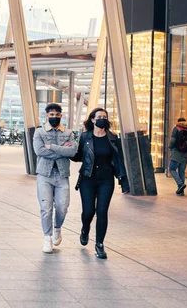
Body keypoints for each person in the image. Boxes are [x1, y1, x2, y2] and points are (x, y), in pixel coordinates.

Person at [72, 108, 128, 260]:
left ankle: (99, 245)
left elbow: (119, 159)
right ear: (92, 120)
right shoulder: (85, 137)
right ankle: (85, 229)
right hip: (88, 178)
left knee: (102, 212)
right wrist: (69, 149)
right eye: (99, 117)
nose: (102, 119)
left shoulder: (112, 137)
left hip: (106, 179)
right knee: (89, 211)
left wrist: (123, 177)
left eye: (105, 116)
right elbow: (77, 157)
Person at [32, 103, 78, 254]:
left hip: (62, 174)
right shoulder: (39, 132)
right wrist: (62, 150)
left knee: (63, 206)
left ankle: (57, 227)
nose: (54, 117)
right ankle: (47, 238)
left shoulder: (69, 133)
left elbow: (72, 151)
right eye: (51, 115)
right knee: (46, 208)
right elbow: (39, 151)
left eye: (57, 115)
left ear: (61, 115)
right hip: (44, 175)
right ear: (46, 116)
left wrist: (51, 147)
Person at [168, 117, 187, 196]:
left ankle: (180, 184)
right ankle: (181, 191)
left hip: (176, 152)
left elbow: (173, 141)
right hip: (185, 153)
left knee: (171, 169)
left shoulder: (176, 128)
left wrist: (170, 147)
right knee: (181, 171)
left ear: (178, 122)